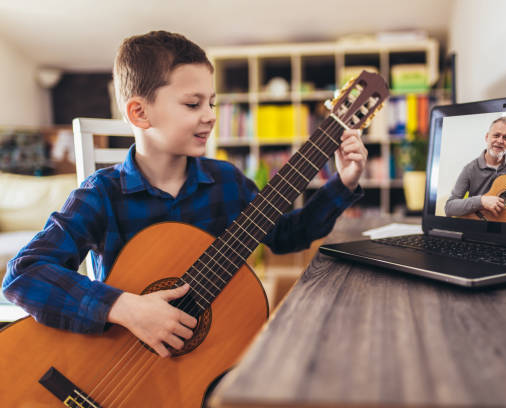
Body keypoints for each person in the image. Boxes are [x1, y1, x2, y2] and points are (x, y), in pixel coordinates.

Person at [2, 31, 368, 358]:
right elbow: (24, 275)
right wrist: (126, 308)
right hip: (120, 360)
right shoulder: (102, 194)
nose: (209, 116)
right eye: (193, 104)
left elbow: (288, 236)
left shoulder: (226, 181)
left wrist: (344, 183)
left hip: (204, 356)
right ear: (140, 113)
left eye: (211, 103)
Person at [444, 116, 506, 225]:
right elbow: (449, 207)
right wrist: (482, 201)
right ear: (487, 137)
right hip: (480, 225)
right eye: (496, 135)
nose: (500, 141)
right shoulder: (470, 169)